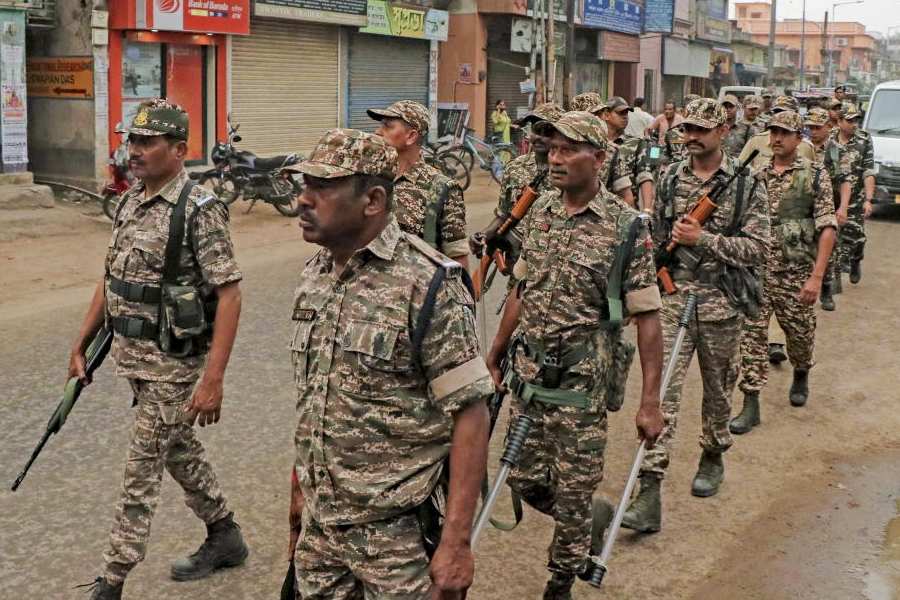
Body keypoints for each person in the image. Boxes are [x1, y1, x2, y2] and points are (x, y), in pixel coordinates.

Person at [288, 128, 492, 599]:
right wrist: (299, 493)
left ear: (373, 200)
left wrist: (457, 542)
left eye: (322, 188)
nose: (303, 200)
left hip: (397, 536)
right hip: (323, 532)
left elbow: (471, 413)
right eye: (304, 185)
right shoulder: (314, 275)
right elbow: (314, 398)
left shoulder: (429, 284)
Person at [485, 111, 665, 599]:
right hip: (530, 375)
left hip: (583, 387)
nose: (555, 159)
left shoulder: (627, 228)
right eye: (552, 149)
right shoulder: (541, 210)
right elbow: (522, 287)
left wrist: (651, 402)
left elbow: (648, 318)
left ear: (599, 158)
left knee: (572, 490)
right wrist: (495, 353)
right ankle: (591, 518)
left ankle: (560, 582)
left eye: (568, 150)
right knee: (522, 477)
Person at [75, 99, 248, 600]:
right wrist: (81, 341)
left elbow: (230, 294)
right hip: (134, 359)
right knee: (176, 449)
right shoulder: (129, 202)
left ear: (179, 150)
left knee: (141, 467)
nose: (136, 151)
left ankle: (111, 579)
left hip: (176, 364)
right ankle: (225, 534)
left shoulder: (199, 210)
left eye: (147, 143)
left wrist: (213, 379)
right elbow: (110, 280)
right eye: (133, 140)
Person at [621, 99, 769, 533]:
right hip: (673, 303)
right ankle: (649, 490)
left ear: (723, 131)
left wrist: (705, 240)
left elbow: (759, 249)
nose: (691, 136)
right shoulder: (669, 177)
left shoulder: (745, 185)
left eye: (701, 129)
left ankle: (713, 454)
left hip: (723, 305)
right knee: (660, 394)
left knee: (719, 395)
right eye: (687, 129)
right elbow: (656, 242)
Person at [730, 111, 837, 434]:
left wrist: (816, 277)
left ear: (798, 138)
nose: (776, 139)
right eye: (773, 132)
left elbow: (827, 227)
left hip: (795, 274)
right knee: (751, 340)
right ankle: (750, 403)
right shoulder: (755, 175)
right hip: (757, 274)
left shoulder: (815, 175)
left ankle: (801, 370)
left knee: (800, 337)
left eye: (784, 133)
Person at [369, 100, 470, 269]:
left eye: (388, 126)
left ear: (411, 136)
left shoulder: (441, 188)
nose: (378, 132)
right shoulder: (369, 177)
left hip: (414, 291)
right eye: (380, 125)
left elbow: (457, 258)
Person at [469, 102, 564, 276]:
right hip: (519, 264)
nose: (540, 138)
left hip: (557, 266)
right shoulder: (515, 168)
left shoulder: (570, 170)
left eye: (548, 133)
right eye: (536, 130)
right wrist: (483, 235)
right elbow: (505, 214)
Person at [825, 102, 875, 286]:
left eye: (856, 120)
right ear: (839, 121)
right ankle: (832, 283)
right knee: (834, 238)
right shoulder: (829, 139)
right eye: (850, 120)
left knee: (857, 237)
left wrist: (868, 200)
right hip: (831, 197)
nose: (854, 124)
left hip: (856, 198)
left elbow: (868, 171)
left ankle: (856, 260)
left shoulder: (864, 140)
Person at [806, 107, 841, 311]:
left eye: (817, 127)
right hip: (806, 203)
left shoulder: (834, 149)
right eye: (810, 127)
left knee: (828, 248)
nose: (814, 131)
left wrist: (842, 207)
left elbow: (843, 179)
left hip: (828, 203)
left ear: (828, 127)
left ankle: (827, 289)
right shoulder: (803, 146)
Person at [595, 96, 655, 212]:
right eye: (620, 113)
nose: (625, 117)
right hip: (598, 210)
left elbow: (645, 177)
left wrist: (647, 210)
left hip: (626, 210)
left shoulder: (637, 143)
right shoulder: (595, 144)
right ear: (606, 115)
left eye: (627, 113)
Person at [739, 95, 817, 172]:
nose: (780, 117)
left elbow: (811, 173)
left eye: (786, 113)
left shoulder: (805, 146)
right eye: (777, 112)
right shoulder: (756, 141)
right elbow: (740, 167)